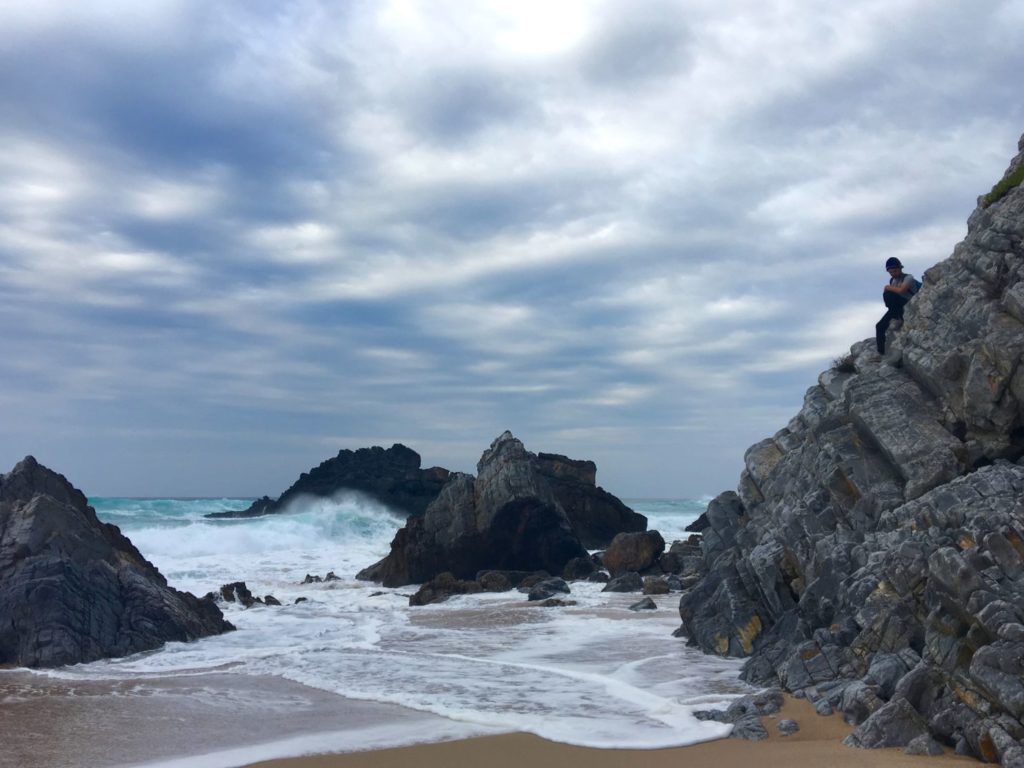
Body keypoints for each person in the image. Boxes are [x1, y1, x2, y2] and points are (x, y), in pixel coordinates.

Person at [876, 257, 917, 354]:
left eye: (894, 271)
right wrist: (888, 289)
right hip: (895, 308)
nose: (893, 274)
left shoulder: (908, 278)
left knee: (889, 292)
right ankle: (881, 353)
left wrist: (887, 287)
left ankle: (897, 317)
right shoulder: (893, 281)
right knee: (879, 326)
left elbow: (901, 290)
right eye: (890, 272)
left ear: (900, 268)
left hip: (909, 306)